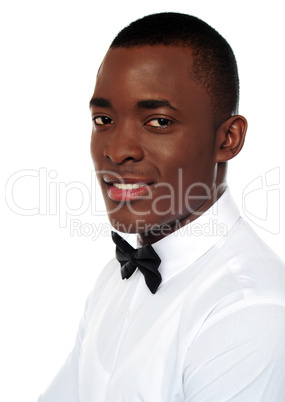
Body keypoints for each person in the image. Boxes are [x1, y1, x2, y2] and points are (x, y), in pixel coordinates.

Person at [38, 12, 285, 401]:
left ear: (228, 139)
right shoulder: (113, 278)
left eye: (158, 122)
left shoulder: (249, 311)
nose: (117, 151)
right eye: (103, 118)